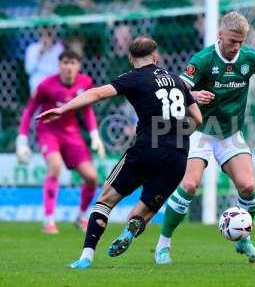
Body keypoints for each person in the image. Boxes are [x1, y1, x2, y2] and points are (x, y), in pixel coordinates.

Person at [115, 11, 255, 265]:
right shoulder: (203, 59)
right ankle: (163, 245)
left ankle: (244, 241)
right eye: (232, 40)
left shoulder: (250, 58)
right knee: (188, 186)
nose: (236, 47)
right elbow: (179, 86)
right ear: (220, 35)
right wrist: (194, 94)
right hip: (199, 132)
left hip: (230, 132)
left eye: (240, 42)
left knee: (248, 187)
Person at [36, 36, 202, 269]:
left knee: (106, 200)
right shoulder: (177, 80)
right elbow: (198, 118)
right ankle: (132, 228)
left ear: (130, 57)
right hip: (178, 155)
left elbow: (95, 94)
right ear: (156, 57)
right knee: (146, 207)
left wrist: (63, 109)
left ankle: (86, 257)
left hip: (145, 150)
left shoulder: (131, 79)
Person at [16, 50, 105, 234]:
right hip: (49, 132)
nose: (69, 67)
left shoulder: (85, 82)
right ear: (59, 65)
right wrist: (22, 139)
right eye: (65, 62)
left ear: (78, 66)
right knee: (55, 167)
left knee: (92, 177)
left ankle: (81, 217)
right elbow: (29, 111)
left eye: (73, 63)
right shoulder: (46, 85)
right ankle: (49, 221)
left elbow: (87, 110)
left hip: (72, 135)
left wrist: (95, 135)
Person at [24, 26, 64, 94]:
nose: (46, 37)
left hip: (55, 84)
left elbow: (60, 71)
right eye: (43, 34)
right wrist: (40, 52)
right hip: (37, 83)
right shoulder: (32, 48)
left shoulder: (59, 49)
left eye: (49, 34)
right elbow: (28, 70)